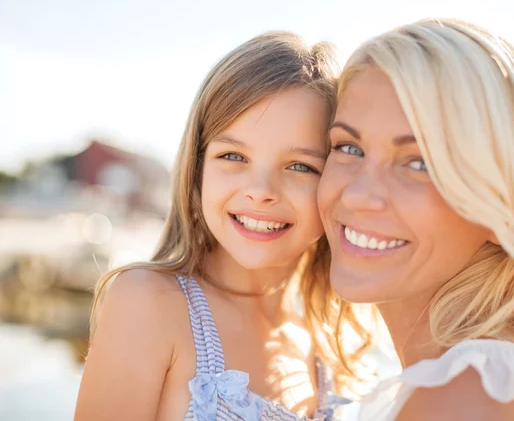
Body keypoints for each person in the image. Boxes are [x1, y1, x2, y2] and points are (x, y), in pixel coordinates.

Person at [75, 31, 372, 421]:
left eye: (300, 166)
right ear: (197, 170)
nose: (260, 192)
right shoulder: (149, 303)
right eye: (233, 155)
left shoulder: (333, 338)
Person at [317, 18, 514, 420]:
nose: (359, 195)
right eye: (349, 147)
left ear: (504, 210)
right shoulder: (492, 380)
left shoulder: (470, 395)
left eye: (419, 163)